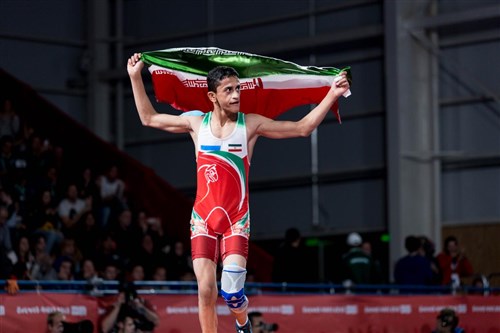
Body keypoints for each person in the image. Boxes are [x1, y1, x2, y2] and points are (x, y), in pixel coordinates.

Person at [127, 52, 350, 333]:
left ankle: (243, 324)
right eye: (228, 90)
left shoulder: (251, 124)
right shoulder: (196, 124)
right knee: (206, 291)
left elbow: (302, 128)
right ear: (212, 96)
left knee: (232, 293)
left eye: (238, 89)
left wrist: (332, 95)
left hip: (236, 220)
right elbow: (149, 118)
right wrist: (136, 77)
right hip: (203, 219)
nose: (236, 96)